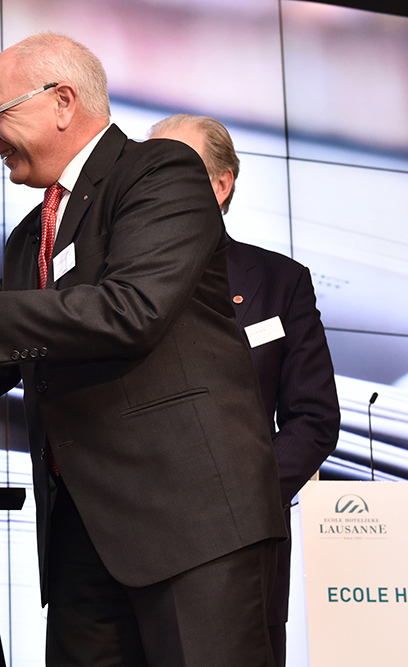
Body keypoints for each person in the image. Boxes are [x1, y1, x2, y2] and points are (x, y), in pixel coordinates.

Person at [0, 33, 288, 666]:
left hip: (192, 527)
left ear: (62, 102)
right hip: (81, 538)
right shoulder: (29, 236)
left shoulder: (160, 173)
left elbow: (132, 310)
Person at [149, 113, 341, 666]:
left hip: (244, 541)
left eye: (171, 172)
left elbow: (313, 418)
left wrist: (244, 497)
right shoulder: (109, 285)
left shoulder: (280, 280)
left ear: (220, 183)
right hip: (132, 537)